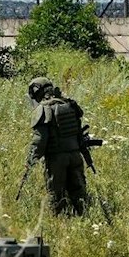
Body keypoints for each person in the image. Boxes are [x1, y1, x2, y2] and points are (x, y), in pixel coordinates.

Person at [25, 76, 90, 216]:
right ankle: (83, 215)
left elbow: (40, 139)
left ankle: (60, 220)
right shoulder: (69, 104)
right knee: (78, 189)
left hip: (57, 158)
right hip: (75, 155)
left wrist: (32, 159)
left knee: (56, 191)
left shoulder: (44, 109)